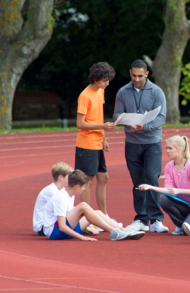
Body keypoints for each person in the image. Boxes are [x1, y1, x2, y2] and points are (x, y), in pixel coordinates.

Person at [113, 59, 168, 233]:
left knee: (151, 179)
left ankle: (157, 220)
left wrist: (145, 126)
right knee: (137, 181)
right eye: (134, 75)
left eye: (140, 76)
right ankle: (142, 219)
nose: (137, 79)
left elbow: (161, 118)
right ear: (130, 73)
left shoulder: (157, 91)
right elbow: (116, 114)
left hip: (152, 143)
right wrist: (123, 120)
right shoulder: (122, 92)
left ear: (147, 74)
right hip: (132, 143)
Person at [137, 135, 190, 235]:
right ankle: (185, 225)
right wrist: (150, 187)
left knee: (187, 231)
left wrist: (179, 190)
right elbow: (168, 190)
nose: (167, 151)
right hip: (185, 205)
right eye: (166, 148)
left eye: (170, 148)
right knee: (164, 200)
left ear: (180, 149)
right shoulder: (169, 167)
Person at [43, 170, 145, 241]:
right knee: (83, 206)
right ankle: (114, 232)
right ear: (77, 186)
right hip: (55, 232)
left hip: (65, 227)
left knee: (98, 213)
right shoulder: (60, 198)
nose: (84, 189)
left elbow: (71, 216)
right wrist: (81, 237)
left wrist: (89, 226)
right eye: (83, 187)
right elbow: (62, 226)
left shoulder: (70, 195)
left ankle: (123, 230)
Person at [75, 62, 116, 220]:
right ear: (96, 79)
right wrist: (102, 127)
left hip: (97, 142)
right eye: (105, 80)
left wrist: (104, 136)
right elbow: (80, 123)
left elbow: (99, 115)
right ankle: (87, 218)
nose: (107, 83)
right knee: (88, 181)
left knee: (103, 178)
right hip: (86, 143)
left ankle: (104, 216)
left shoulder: (100, 91)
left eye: (108, 80)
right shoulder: (85, 95)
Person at [33, 162, 73, 235]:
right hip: (44, 226)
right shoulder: (51, 191)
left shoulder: (62, 190)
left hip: (52, 222)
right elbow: (65, 211)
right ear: (61, 177)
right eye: (69, 177)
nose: (71, 180)